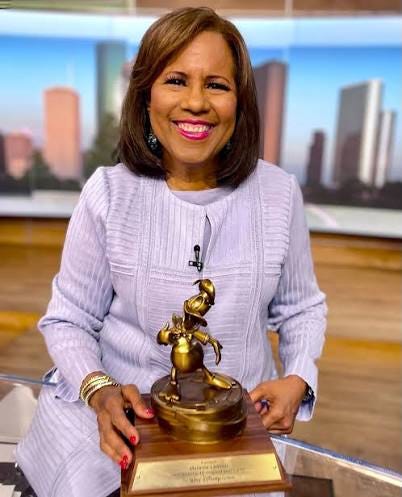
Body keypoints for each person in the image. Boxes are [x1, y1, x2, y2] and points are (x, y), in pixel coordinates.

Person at [16, 7, 326, 497]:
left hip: (232, 432)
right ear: (146, 96)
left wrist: (298, 378)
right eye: (176, 81)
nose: (196, 103)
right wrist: (98, 390)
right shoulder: (108, 193)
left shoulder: (279, 194)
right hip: (119, 423)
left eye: (217, 85)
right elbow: (69, 319)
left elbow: (301, 308)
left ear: (240, 102)